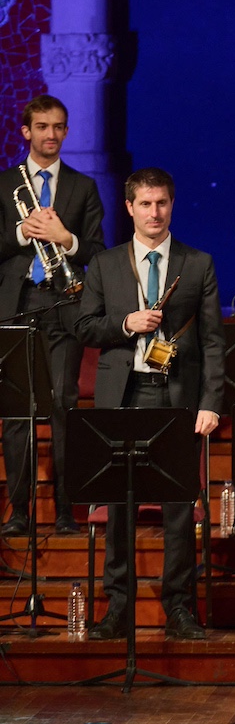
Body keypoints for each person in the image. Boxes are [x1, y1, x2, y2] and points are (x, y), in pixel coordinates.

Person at [76, 168, 225, 641]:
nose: (154, 213)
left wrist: (211, 401)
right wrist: (125, 324)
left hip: (178, 398)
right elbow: (85, 328)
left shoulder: (197, 263)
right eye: (145, 204)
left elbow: (214, 343)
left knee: (179, 507)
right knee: (120, 505)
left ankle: (179, 607)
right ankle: (118, 608)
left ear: (172, 205)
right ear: (129, 208)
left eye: (161, 203)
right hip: (123, 397)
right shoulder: (105, 264)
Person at [0, 94, 105, 537]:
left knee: (64, 406)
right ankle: (20, 512)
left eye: (58, 126)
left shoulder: (83, 187)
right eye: (42, 126)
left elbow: (99, 252)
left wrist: (67, 239)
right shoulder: (5, 185)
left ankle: (67, 511)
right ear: (26, 131)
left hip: (64, 304)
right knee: (18, 412)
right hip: (17, 305)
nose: (50, 134)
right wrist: (22, 232)